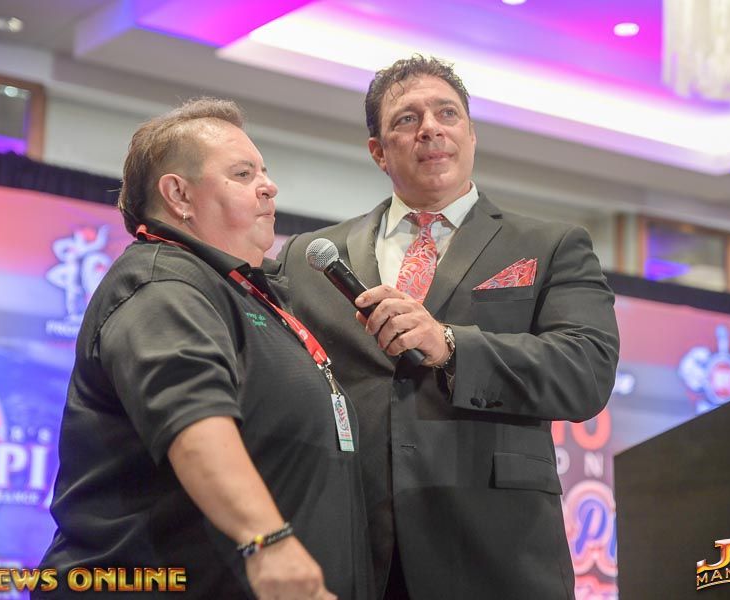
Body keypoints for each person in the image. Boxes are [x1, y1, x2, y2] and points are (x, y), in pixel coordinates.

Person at [276, 56, 620, 599]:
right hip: (351, 551)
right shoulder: (308, 258)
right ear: (378, 151)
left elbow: (586, 371)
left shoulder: (550, 245)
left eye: (447, 113)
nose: (431, 128)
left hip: (496, 552)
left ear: (471, 135)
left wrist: (451, 345)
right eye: (407, 119)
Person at [38, 98, 372, 599]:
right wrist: (269, 543)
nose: (269, 186)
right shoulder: (161, 284)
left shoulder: (246, 292)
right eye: (243, 174)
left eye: (264, 171)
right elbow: (194, 422)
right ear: (179, 195)